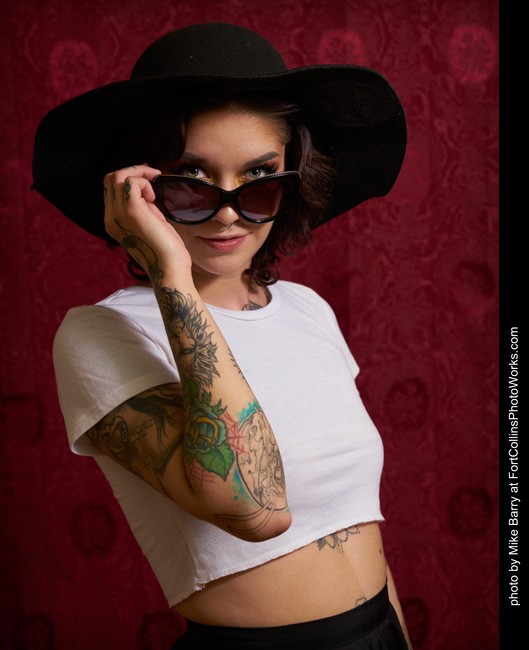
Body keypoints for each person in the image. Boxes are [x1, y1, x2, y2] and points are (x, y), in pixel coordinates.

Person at [32, 22, 411, 649]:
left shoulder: (308, 308)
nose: (230, 213)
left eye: (260, 178)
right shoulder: (102, 332)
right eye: (190, 180)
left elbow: (362, 527)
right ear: (138, 188)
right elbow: (253, 508)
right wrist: (171, 274)